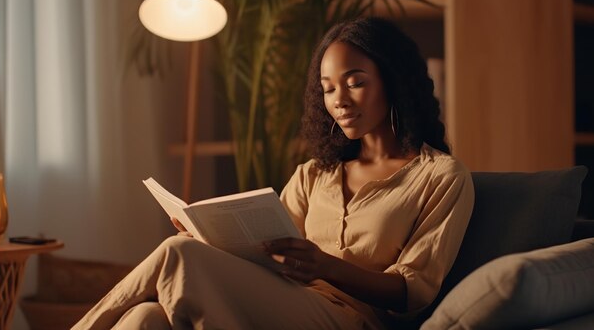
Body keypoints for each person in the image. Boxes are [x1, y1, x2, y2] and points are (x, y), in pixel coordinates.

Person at [72, 17, 474, 330]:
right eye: (329, 88)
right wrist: (207, 237)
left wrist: (327, 266)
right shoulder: (316, 174)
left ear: (393, 83)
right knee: (146, 319)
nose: (340, 101)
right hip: (284, 301)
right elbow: (264, 254)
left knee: (177, 255)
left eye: (355, 83)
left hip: (351, 320)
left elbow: (414, 290)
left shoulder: (440, 176)